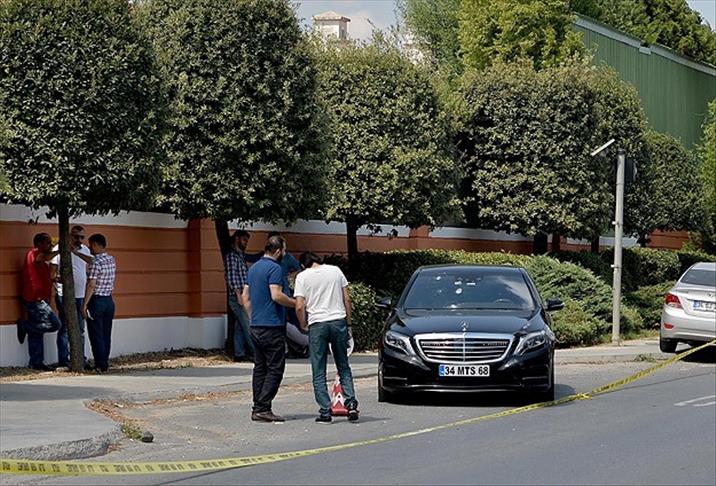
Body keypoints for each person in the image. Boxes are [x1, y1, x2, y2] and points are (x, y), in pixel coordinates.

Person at [294, 251, 359, 423]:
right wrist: (349, 323)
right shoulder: (335, 271)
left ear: (303, 265)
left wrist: (303, 324)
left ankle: (325, 411)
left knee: (318, 369)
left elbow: (299, 306)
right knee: (343, 365)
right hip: (338, 321)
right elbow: (347, 299)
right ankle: (351, 404)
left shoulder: (302, 277)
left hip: (317, 324)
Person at [242, 235, 296, 423]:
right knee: (275, 368)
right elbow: (276, 295)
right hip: (272, 325)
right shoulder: (275, 268)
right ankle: (263, 407)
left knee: (260, 367)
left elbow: (245, 297)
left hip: (256, 325)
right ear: (279, 251)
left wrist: (252, 317)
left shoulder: (254, 268)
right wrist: (295, 303)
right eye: (284, 250)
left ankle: (257, 407)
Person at [16, 233, 61, 371]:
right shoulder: (34, 253)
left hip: (41, 298)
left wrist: (55, 279)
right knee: (55, 324)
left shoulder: (41, 261)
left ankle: (36, 362)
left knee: (37, 332)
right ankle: (25, 326)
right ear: (39, 244)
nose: (50, 245)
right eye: (47, 242)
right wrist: (61, 250)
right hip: (35, 299)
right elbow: (46, 257)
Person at [50, 225, 92, 368]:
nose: (79, 240)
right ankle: (64, 359)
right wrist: (62, 280)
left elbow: (91, 262)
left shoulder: (85, 249)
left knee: (80, 329)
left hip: (81, 295)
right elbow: (52, 273)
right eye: (76, 237)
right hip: (64, 295)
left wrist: (77, 253)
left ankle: (80, 358)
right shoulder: (59, 249)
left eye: (82, 237)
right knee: (65, 328)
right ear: (69, 236)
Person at [82, 234, 116, 373]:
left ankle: (99, 364)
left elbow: (91, 284)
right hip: (109, 300)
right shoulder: (110, 259)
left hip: (96, 300)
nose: (89, 247)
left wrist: (84, 304)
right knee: (106, 333)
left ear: (96, 245)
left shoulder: (95, 263)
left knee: (96, 334)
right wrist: (76, 253)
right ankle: (104, 362)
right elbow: (90, 260)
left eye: (90, 245)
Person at [223, 230, 255, 362]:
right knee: (247, 325)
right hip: (239, 295)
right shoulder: (232, 256)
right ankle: (256, 353)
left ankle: (239, 353)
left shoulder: (240, 255)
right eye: (244, 240)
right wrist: (239, 295)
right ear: (237, 239)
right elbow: (232, 277)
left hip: (243, 294)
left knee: (240, 325)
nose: (246, 243)